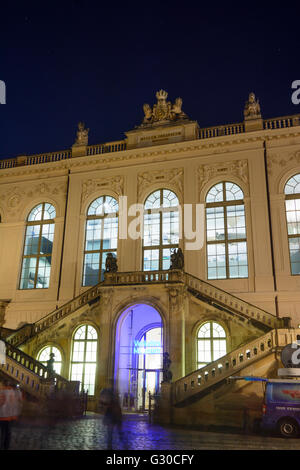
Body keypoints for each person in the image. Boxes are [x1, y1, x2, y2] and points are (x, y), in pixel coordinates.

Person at [0, 380, 23, 450]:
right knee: (8, 432)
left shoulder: (1, 391)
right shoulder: (13, 392)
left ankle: (1, 445)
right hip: (10, 415)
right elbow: (18, 401)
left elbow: (1, 402)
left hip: (2, 415)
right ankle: (6, 446)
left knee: (2, 432)